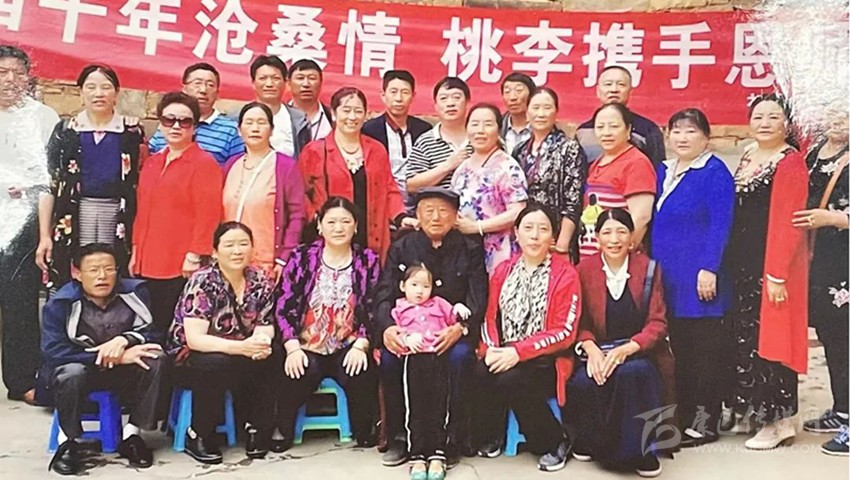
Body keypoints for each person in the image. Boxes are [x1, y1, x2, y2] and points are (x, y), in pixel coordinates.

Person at [373, 187, 488, 468]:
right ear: (418, 214)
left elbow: (478, 297)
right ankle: (400, 437)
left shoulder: (470, 249)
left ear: (455, 215)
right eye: (429, 210)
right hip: (409, 332)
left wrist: (461, 328)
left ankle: (451, 439)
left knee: (459, 358)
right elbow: (384, 294)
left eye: (443, 211)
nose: (436, 217)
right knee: (390, 359)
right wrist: (388, 329)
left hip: (451, 331)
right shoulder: (402, 248)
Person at [724, 93, 809, 450]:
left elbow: (791, 222)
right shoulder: (748, 155)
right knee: (747, 339)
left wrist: (777, 274)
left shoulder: (790, 162)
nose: (765, 123)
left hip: (772, 266)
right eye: (759, 116)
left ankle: (778, 422)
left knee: (773, 343)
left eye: (773, 117)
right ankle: (753, 413)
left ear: (786, 124)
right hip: (743, 264)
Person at [473, 204, 579, 472]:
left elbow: (565, 332)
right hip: (506, 351)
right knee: (480, 369)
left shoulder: (566, 274)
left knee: (511, 378)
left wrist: (519, 352)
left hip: (546, 359)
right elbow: (490, 317)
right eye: (528, 228)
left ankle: (555, 440)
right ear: (516, 233)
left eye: (543, 229)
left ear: (552, 237)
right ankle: (492, 433)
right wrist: (492, 349)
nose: (534, 236)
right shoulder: (503, 270)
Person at [651, 108, 734, 447]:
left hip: (699, 278)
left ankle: (706, 422)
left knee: (704, 354)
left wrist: (709, 267)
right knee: (681, 351)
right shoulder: (663, 170)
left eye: (691, 132)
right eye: (677, 131)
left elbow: (720, 224)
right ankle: (684, 418)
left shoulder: (714, 172)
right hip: (667, 276)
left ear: (706, 137)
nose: (682, 138)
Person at [42, 244, 164, 475]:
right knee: (70, 372)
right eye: (93, 270)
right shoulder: (61, 303)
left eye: (109, 269)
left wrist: (125, 339)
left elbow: (155, 333)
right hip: (83, 372)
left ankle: (133, 435)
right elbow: (54, 352)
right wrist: (112, 357)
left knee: (155, 357)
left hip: (124, 375)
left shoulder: (135, 293)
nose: (102, 276)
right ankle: (67, 441)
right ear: (77, 273)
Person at [569, 209, 673, 478]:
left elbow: (657, 323)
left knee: (631, 374)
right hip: (598, 351)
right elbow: (579, 322)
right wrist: (591, 349)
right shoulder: (584, 270)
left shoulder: (648, 268)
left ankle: (640, 451)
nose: (614, 240)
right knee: (584, 381)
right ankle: (594, 444)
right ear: (597, 237)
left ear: (632, 238)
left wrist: (630, 348)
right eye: (607, 232)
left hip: (639, 352)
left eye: (621, 232)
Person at [167, 222, 280, 464]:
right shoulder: (203, 282)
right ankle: (198, 433)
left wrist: (261, 342)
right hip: (193, 355)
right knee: (217, 363)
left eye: (243, 244)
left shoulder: (260, 279)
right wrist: (242, 348)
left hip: (240, 352)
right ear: (215, 252)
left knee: (274, 353)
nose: (237, 251)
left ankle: (256, 427)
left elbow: (266, 322)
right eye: (229, 245)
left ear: (252, 249)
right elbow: (195, 340)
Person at [275, 197, 380, 451]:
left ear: (356, 226)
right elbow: (283, 305)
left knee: (359, 369)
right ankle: (282, 428)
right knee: (298, 370)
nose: (338, 228)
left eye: (345, 222)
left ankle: (364, 427)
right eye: (331, 222)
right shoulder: (302, 257)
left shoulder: (367, 260)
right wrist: (292, 347)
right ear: (320, 226)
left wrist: (361, 344)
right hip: (306, 344)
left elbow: (375, 306)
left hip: (348, 344)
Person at [41, 64, 144, 288]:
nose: (98, 93)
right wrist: (44, 235)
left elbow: (139, 181)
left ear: (116, 93)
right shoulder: (66, 131)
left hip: (116, 215)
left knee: (109, 274)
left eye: (106, 87)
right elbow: (49, 184)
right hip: (73, 215)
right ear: (80, 92)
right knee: (73, 275)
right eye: (91, 87)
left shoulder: (131, 133)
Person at [132, 92, 223, 334]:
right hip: (147, 257)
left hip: (179, 260)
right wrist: (136, 250)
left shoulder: (204, 163)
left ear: (194, 126)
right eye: (169, 119)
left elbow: (209, 213)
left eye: (184, 121)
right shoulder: (152, 162)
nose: (175, 126)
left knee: (171, 325)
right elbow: (142, 209)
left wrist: (195, 255)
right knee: (147, 323)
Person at [0, 45, 59, 405]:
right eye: (2, 73)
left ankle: (22, 379)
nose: (10, 80)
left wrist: (45, 233)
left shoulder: (43, 117)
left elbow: (49, 178)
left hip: (23, 221)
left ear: (28, 77)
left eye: (17, 73)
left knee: (20, 303)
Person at [298, 86, 408, 262]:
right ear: (334, 113)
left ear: (365, 115)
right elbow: (299, 193)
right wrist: (316, 218)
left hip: (371, 234)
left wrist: (400, 217)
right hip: (332, 235)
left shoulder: (377, 150)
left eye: (358, 111)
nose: (352, 117)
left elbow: (389, 189)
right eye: (346, 110)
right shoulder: (315, 151)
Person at [794, 105, 849, 455]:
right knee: (832, 337)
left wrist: (832, 218)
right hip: (819, 259)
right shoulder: (814, 152)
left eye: (845, 116)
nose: (837, 122)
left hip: (845, 261)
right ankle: (842, 409)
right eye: (831, 114)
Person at [392, 264, 465, 480]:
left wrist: (459, 310)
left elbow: (453, 318)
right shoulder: (399, 308)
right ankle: (417, 455)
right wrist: (406, 338)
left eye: (425, 286)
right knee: (415, 408)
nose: (420, 291)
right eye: (414, 285)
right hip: (414, 361)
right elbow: (395, 332)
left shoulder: (439, 304)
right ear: (403, 286)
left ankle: (437, 454)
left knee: (439, 406)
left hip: (438, 358)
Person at [222, 102, 306, 280]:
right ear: (239, 130)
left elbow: (297, 215)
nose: (255, 128)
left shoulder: (285, 166)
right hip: (229, 261)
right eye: (249, 122)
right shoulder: (231, 164)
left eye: (261, 122)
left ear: (272, 130)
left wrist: (284, 258)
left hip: (266, 264)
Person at [451, 103, 527, 273]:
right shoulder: (462, 168)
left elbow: (518, 211)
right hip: (465, 252)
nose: (480, 130)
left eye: (488, 124)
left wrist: (478, 226)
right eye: (475, 124)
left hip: (499, 252)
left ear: (499, 130)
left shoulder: (507, 167)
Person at [512, 87, 586, 261]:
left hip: (556, 239)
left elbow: (573, 201)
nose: (541, 114)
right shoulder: (519, 150)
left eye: (547, 108)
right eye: (535, 108)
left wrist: (562, 244)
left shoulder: (569, 148)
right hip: (526, 238)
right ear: (527, 112)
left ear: (556, 112)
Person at [578, 103, 656, 258]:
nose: (606, 133)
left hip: (616, 259)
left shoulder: (636, 162)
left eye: (614, 126)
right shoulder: (597, 162)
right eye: (600, 127)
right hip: (592, 257)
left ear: (628, 130)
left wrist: (619, 253)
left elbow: (641, 217)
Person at [149, 63, 244, 165]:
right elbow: (150, 158)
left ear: (217, 93)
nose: (203, 90)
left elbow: (238, 166)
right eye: (197, 83)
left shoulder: (231, 130)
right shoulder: (169, 124)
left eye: (210, 85)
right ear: (185, 89)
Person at [362, 70, 432, 207]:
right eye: (393, 92)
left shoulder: (424, 130)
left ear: (413, 97)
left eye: (405, 92)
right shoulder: (369, 130)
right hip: (382, 205)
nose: (399, 98)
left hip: (420, 205)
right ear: (383, 96)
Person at [575, 65, 666, 166]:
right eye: (608, 84)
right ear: (598, 91)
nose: (614, 89)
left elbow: (657, 168)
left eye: (621, 84)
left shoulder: (647, 129)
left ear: (630, 91)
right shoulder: (583, 131)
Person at [406, 77, 472, 193]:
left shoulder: (481, 138)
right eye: (443, 98)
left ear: (467, 103)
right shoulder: (425, 141)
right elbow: (411, 186)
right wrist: (447, 166)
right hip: (438, 204)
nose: (450, 104)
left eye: (456, 97)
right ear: (436, 106)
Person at [250, 55, 311, 159]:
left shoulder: (299, 120)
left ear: (285, 83)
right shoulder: (237, 118)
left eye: (276, 78)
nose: (269, 84)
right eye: (263, 78)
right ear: (253, 83)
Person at [288, 59, 333, 141]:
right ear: (289, 83)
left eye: (312, 78)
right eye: (300, 78)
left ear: (321, 83)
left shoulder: (333, 118)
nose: (306, 84)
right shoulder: (279, 116)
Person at [499, 72, 535, 154]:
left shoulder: (543, 127)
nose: (512, 97)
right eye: (507, 92)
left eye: (519, 91)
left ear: (532, 95)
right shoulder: (497, 126)